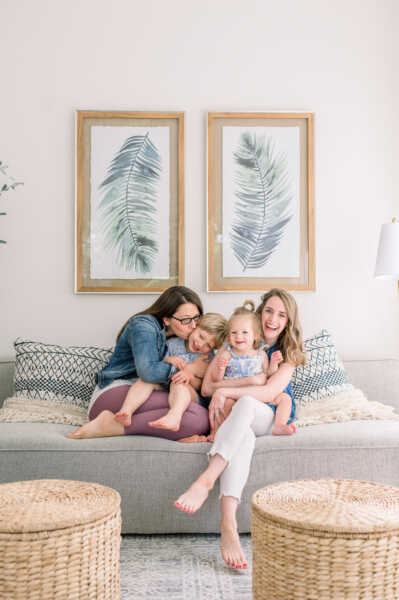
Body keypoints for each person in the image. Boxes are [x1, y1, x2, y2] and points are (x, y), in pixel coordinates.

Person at [174, 289, 306, 570]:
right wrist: (225, 391)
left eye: (281, 315)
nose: (273, 319)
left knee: (246, 402)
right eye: (269, 311)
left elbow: (269, 391)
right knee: (242, 436)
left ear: (288, 321)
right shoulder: (233, 344)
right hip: (240, 418)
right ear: (259, 314)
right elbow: (208, 387)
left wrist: (228, 393)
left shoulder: (287, 354)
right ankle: (229, 526)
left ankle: (206, 479)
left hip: (269, 415)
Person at [67, 286, 213, 441]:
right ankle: (110, 426)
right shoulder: (144, 326)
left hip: (148, 394)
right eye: (185, 320)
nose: (193, 326)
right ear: (167, 319)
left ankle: (172, 433)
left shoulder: (185, 341)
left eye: (196, 319)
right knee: (198, 415)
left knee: (198, 418)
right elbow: (147, 371)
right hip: (116, 394)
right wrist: (188, 370)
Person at [113, 312, 227, 433]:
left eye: (208, 345)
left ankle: (174, 416)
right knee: (145, 380)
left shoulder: (207, 358)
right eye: (201, 336)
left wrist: (189, 375)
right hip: (165, 384)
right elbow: (156, 365)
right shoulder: (173, 343)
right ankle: (126, 411)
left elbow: (202, 386)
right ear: (195, 326)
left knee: (179, 383)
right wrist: (168, 360)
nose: (200, 344)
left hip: (190, 392)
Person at [205, 300, 296, 441]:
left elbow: (268, 377)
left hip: (258, 398)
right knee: (226, 404)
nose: (239, 337)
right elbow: (214, 383)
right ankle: (216, 432)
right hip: (236, 396)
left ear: (255, 335)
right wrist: (221, 369)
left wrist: (274, 364)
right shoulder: (227, 353)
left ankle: (280, 425)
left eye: (244, 332)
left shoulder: (261, 354)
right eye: (234, 333)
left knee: (285, 398)